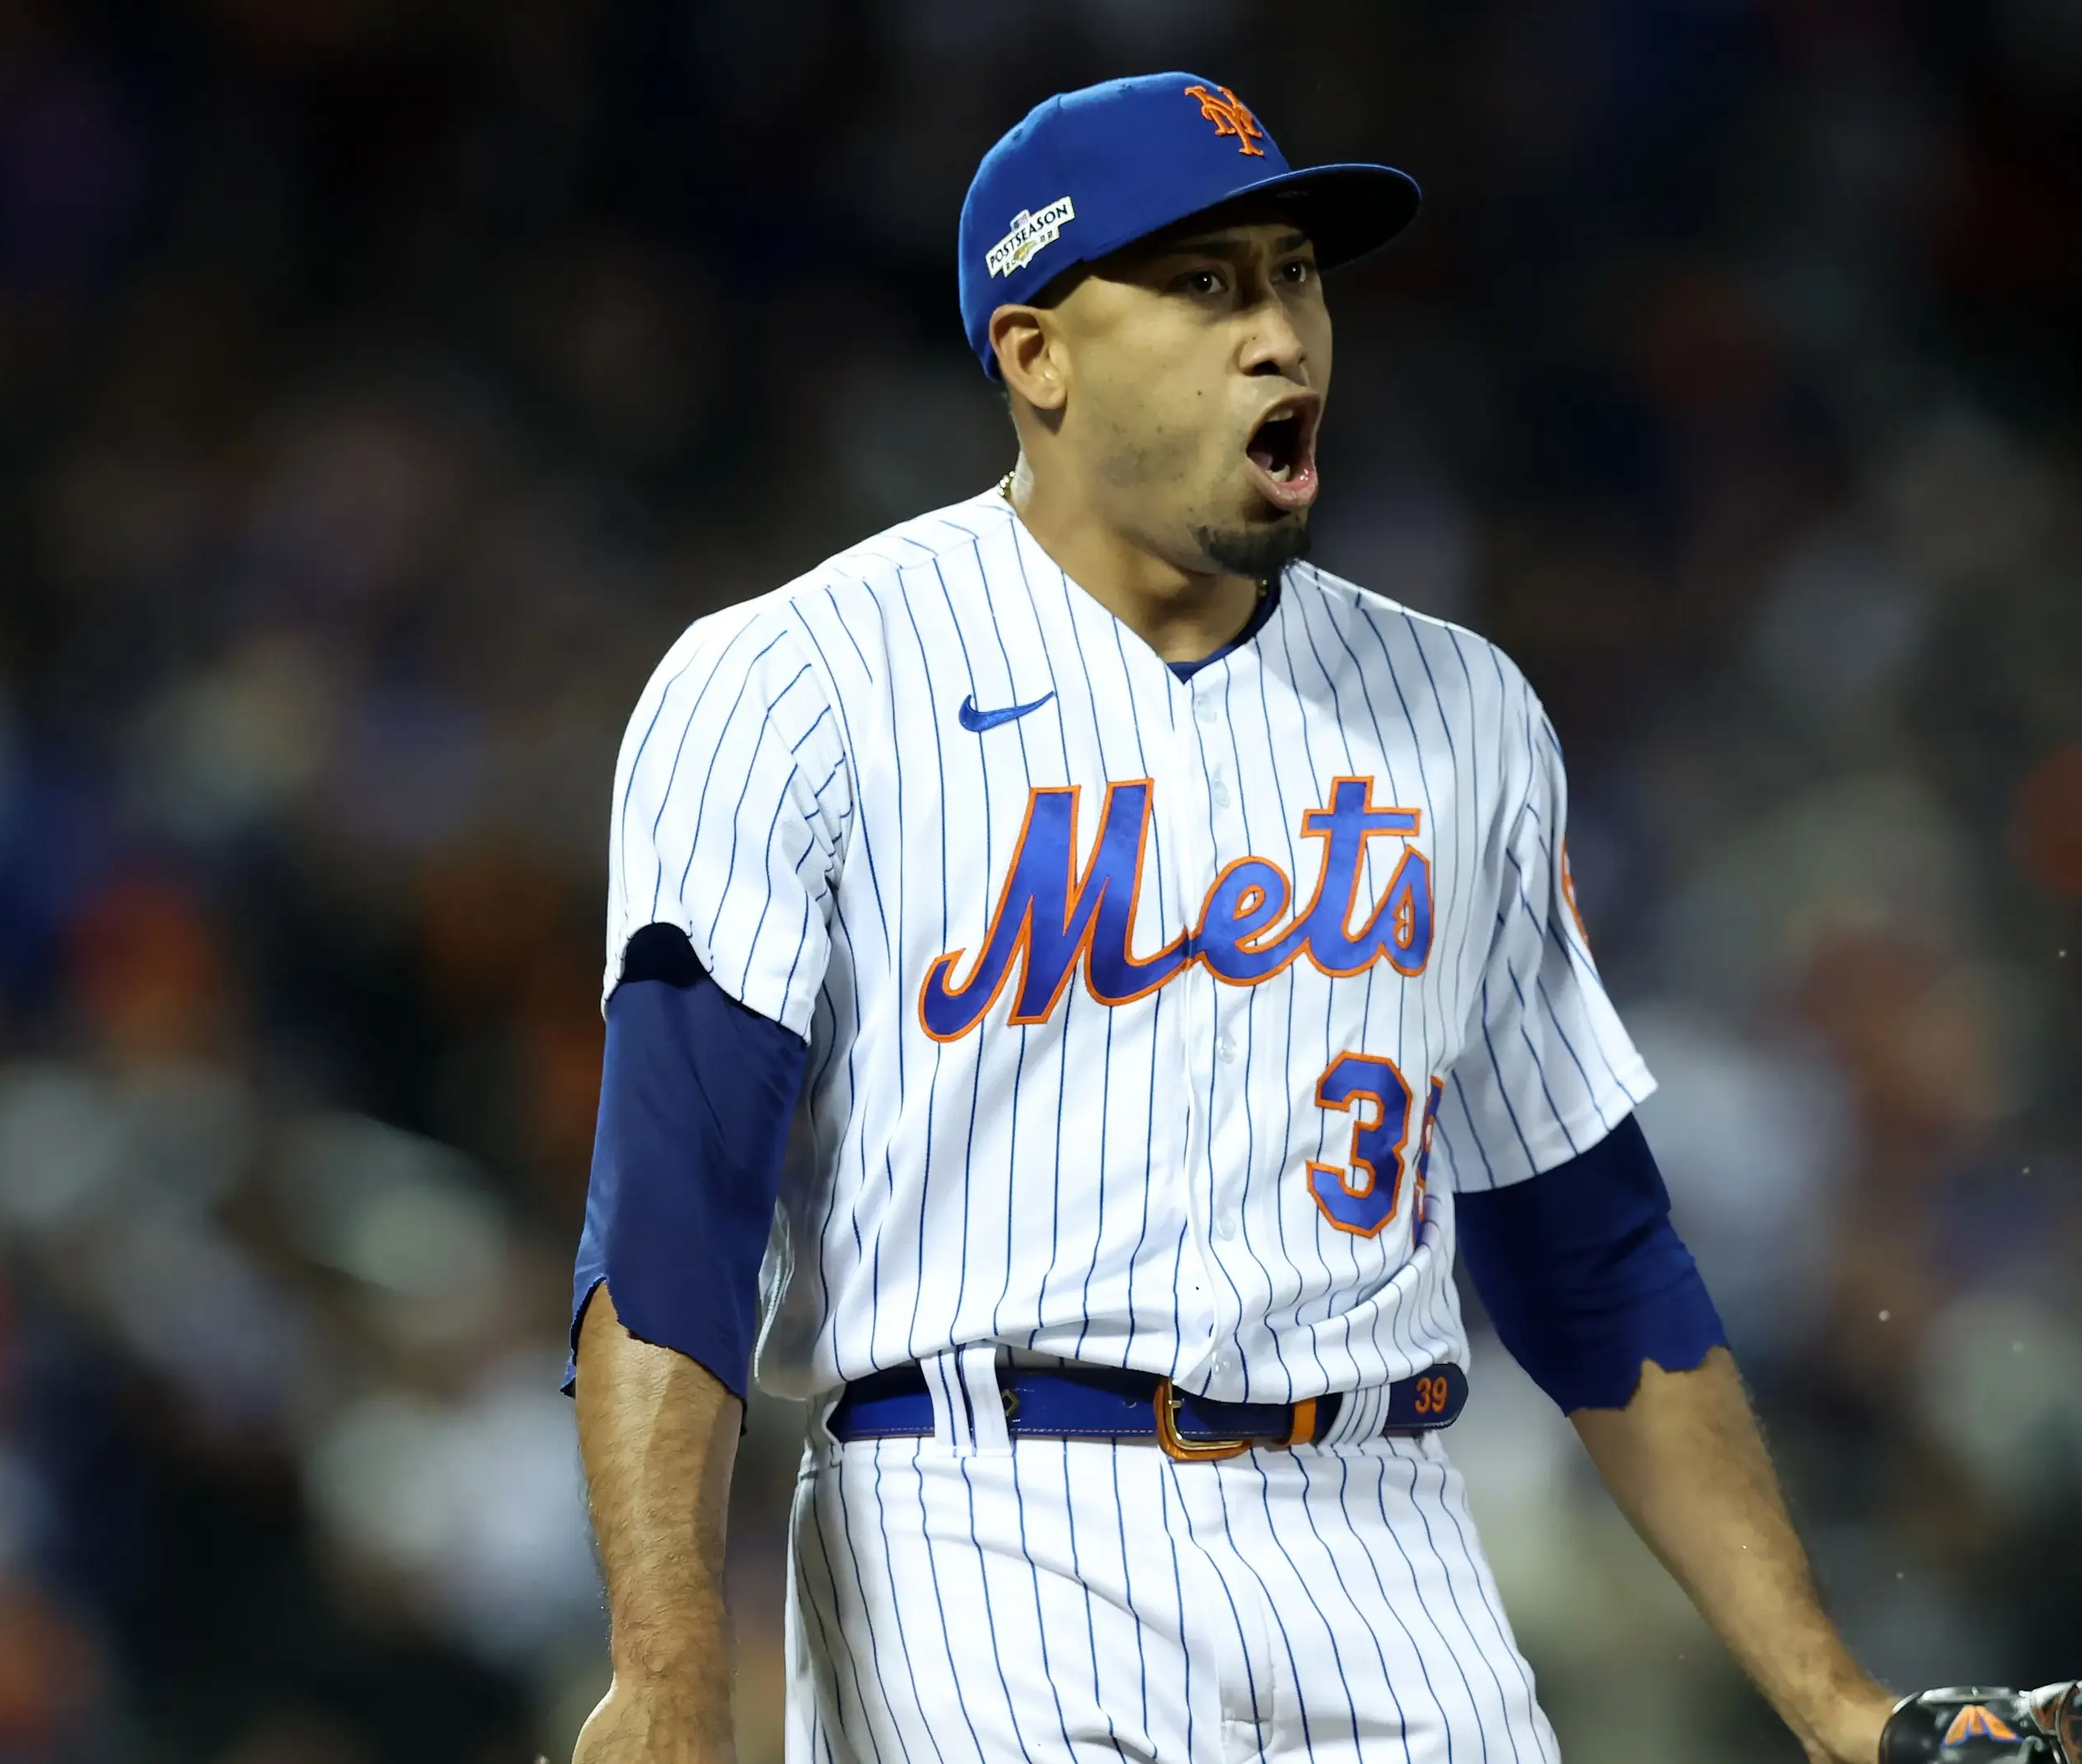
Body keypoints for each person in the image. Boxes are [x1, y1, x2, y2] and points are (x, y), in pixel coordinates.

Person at [565, 71, 1900, 1763]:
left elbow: (1592, 1256)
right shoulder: (796, 683)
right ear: (1035, 354)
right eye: (1204, 285)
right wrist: (672, 1669)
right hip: (984, 1531)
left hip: (1393, 1538)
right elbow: (674, 1215)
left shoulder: (1462, 709)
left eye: (1294, 274)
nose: (1281, 332)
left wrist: (1836, 1702)